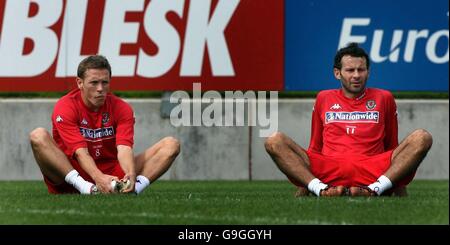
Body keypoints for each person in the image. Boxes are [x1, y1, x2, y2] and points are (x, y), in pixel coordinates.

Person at [265, 43, 433, 197]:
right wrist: (305, 188)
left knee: (422, 137)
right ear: (337, 73)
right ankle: (322, 190)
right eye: (350, 70)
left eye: (361, 70)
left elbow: (392, 147)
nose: (356, 75)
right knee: (274, 140)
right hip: (330, 167)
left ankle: (373, 190)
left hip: (372, 167)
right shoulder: (323, 98)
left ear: (369, 72)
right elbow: (315, 147)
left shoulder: (384, 98)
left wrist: (400, 191)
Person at [29, 55, 180, 194]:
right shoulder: (65, 106)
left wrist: (130, 173)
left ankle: (131, 189)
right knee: (38, 135)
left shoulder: (122, 108)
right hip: (70, 175)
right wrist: (97, 178)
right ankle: (87, 188)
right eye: (94, 83)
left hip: (112, 173)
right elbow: (80, 152)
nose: (100, 89)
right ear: (79, 83)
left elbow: (124, 148)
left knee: (171, 144)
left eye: (105, 82)